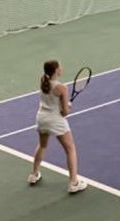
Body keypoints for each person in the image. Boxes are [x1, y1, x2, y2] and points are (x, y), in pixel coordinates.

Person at [30, 60, 87, 193]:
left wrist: (64, 105)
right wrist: (68, 107)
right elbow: (64, 112)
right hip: (55, 120)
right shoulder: (62, 88)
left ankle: (34, 174)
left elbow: (53, 101)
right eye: (60, 67)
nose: (62, 68)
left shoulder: (43, 81)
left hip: (41, 118)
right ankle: (73, 183)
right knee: (70, 149)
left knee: (42, 145)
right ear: (56, 70)